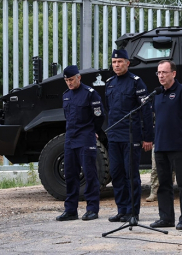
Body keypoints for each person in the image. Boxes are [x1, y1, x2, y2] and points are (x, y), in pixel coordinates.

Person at [105, 49, 154, 223]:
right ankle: (122, 210)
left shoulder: (136, 83)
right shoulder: (109, 83)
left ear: (127, 63)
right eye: (114, 62)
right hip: (114, 136)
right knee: (116, 173)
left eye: (120, 62)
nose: (116, 65)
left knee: (131, 175)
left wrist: (148, 137)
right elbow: (108, 111)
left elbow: (146, 112)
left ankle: (133, 212)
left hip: (131, 136)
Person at [150, 60, 182, 230]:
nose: (161, 76)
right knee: (164, 184)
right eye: (159, 73)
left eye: (164, 72)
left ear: (173, 74)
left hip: (179, 146)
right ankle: (166, 217)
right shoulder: (157, 94)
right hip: (161, 146)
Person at [56, 65, 105, 221]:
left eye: (71, 79)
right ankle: (70, 210)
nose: (69, 83)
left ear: (79, 77)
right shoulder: (66, 95)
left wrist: (93, 131)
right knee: (70, 174)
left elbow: (99, 115)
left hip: (86, 138)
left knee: (90, 174)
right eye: (66, 80)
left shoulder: (90, 94)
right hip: (70, 139)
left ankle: (92, 209)